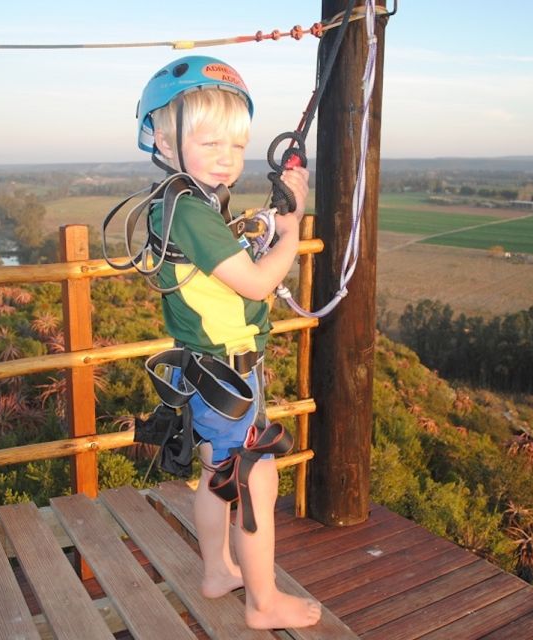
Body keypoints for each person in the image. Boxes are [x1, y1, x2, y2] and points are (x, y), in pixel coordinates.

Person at [136, 55, 321, 630]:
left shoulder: (184, 204)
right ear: (164, 141)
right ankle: (264, 603)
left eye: (236, 146)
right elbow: (261, 282)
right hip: (227, 377)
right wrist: (292, 228)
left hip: (208, 376)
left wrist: (271, 219)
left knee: (218, 475)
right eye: (209, 141)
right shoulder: (192, 212)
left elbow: (230, 266)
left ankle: (218, 570)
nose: (226, 157)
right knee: (254, 482)